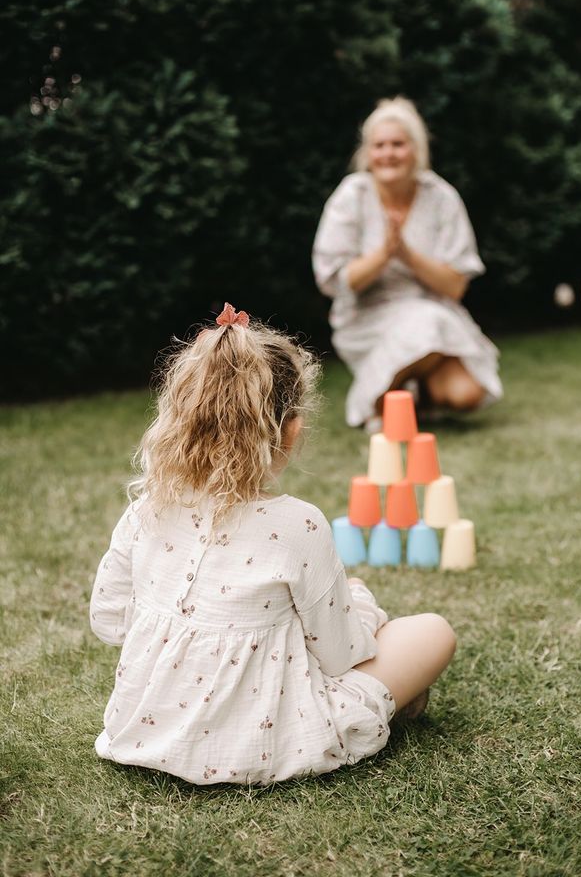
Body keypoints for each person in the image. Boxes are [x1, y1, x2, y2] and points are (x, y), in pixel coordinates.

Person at [89, 303, 456, 785]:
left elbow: (109, 622)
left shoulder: (146, 509)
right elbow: (341, 656)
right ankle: (387, 697)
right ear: (291, 430)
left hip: (141, 732)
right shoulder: (297, 524)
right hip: (270, 741)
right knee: (432, 631)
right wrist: (365, 610)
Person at [312, 96, 503, 431]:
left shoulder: (441, 196)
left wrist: (406, 254)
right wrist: (384, 254)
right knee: (426, 323)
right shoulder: (351, 195)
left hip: (433, 310)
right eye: (379, 145)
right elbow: (339, 282)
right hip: (366, 316)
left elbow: (455, 286)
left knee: (465, 393)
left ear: (416, 149)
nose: (388, 154)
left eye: (398, 144)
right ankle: (372, 402)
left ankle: (411, 392)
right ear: (367, 153)